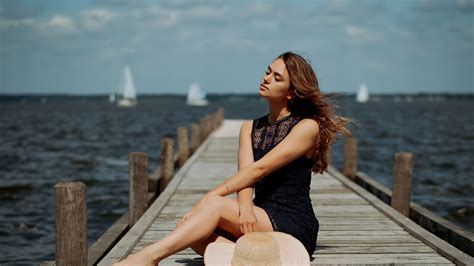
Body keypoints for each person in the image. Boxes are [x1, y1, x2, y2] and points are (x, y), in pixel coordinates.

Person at [114, 51, 351, 265]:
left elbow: (259, 170)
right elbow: (245, 176)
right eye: (268, 71)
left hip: (293, 223)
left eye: (277, 77)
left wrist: (210, 197)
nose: (266, 78)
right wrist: (245, 207)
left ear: (291, 93)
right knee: (190, 232)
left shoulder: (306, 127)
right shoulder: (250, 128)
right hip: (260, 217)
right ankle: (255, 256)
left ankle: (148, 257)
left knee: (211, 208)